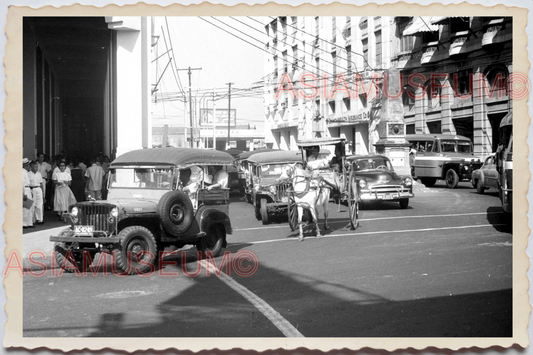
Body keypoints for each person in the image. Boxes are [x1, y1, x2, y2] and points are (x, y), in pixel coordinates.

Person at [22, 158, 34, 228]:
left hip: (28, 189)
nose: (29, 166)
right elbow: (22, 184)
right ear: (26, 165)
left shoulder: (25, 172)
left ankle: (29, 222)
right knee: (25, 207)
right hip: (25, 190)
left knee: (30, 206)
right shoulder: (22, 173)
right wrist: (24, 194)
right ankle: (24, 223)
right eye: (28, 165)